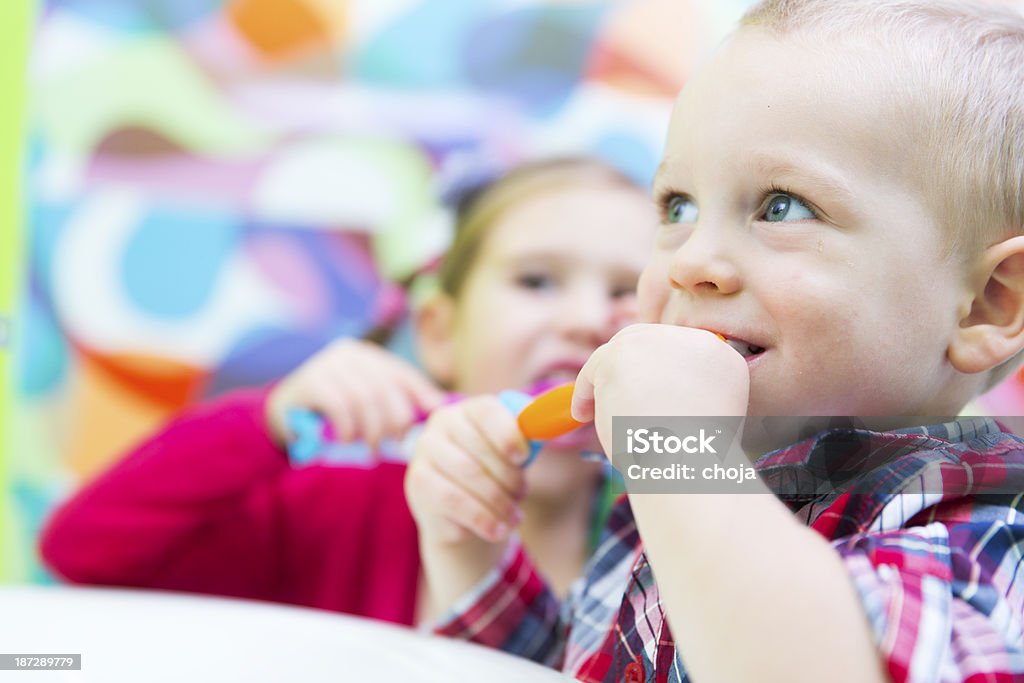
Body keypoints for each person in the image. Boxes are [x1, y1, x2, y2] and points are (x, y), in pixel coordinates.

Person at [406, 2, 1024, 681]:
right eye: (678, 206)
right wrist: (470, 552)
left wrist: (675, 451)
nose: (689, 261)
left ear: (989, 304)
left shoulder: (979, 530)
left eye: (782, 205)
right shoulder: (693, 495)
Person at [38, 157, 658, 626]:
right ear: (439, 335)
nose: (584, 317)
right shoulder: (336, 509)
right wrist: (265, 424)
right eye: (537, 280)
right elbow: (82, 552)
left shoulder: (674, 540)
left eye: (626, 289)